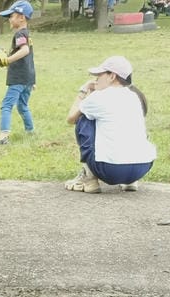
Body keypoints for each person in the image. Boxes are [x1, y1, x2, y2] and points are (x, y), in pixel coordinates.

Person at [65, 55, 155, 194]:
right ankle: (130, 182)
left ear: (112, 76)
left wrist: (83, 91)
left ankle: (89, 177)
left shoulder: (98, 97)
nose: (96, 79)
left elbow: (71, 118)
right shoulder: (135, 96)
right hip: (142, 167)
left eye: (99, 75)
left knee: (83, 118)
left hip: (110, 170)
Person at [0, 0, 36, 147]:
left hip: (18, 79)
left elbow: (25, 51)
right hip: (27, 78)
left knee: (6, 106)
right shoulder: (26, 34)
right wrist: (32, 80)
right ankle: (30, 131)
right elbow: (29, 57)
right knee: (22, 106)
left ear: (21, 17)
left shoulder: (20, 34)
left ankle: (3, 137)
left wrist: (7, 60)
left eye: (11, 16)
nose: (9, 19)